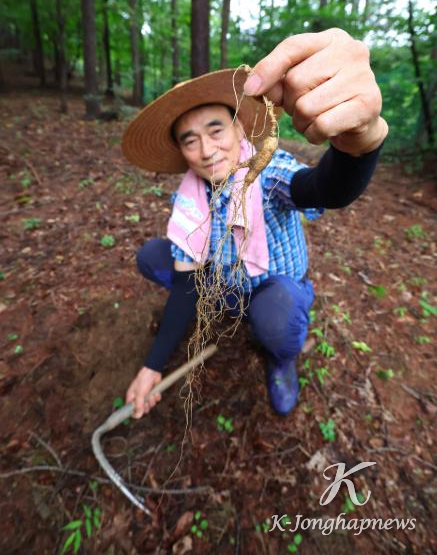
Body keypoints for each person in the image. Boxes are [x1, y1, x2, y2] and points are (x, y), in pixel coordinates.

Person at [122, 28, 389, 419]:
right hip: (227, 283)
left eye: (216, 130)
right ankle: (225, 309)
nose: (206, 150)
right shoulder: (191, 199)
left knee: (276, 317)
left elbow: (320, 188)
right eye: (190, 140)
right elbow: (185, 280)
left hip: (272, 287)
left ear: (239, 129)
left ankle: (281, 356)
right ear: (181, 151)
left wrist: (357, 147)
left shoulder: (265, 171)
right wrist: (152, 366)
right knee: (153, 256)